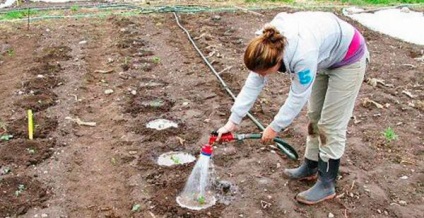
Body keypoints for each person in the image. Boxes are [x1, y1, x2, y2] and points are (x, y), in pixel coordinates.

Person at [216, 11, 369, 205]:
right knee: (314, 115)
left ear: (277, 62)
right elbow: (253, 83)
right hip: (324, 55)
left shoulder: (303, 56)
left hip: (349, 58)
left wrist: (274, 127)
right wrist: (233, 121)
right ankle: (311, 166)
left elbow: (297, 97)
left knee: (330, 124)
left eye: (264, 73)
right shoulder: (265, 44)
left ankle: (326, 183)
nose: (262, 76)